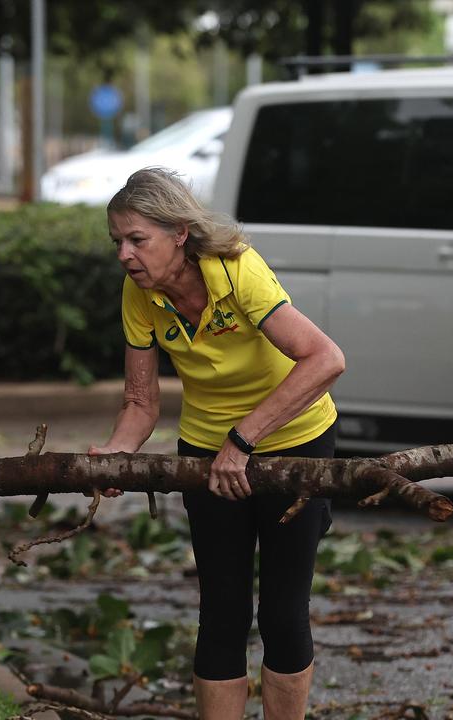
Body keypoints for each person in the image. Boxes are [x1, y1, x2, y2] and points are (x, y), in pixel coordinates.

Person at [89, 167, 345, 719]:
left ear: (179, 232)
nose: (124, 256)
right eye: (118, 243)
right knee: (223, 612)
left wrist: (243, 440)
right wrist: (116, 456)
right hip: (207, 454)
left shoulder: (236, 268)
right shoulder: (140, 293)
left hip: (295, 440)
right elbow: (141, 404)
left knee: (281, 612)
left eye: (137, 240)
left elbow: (325, 359)